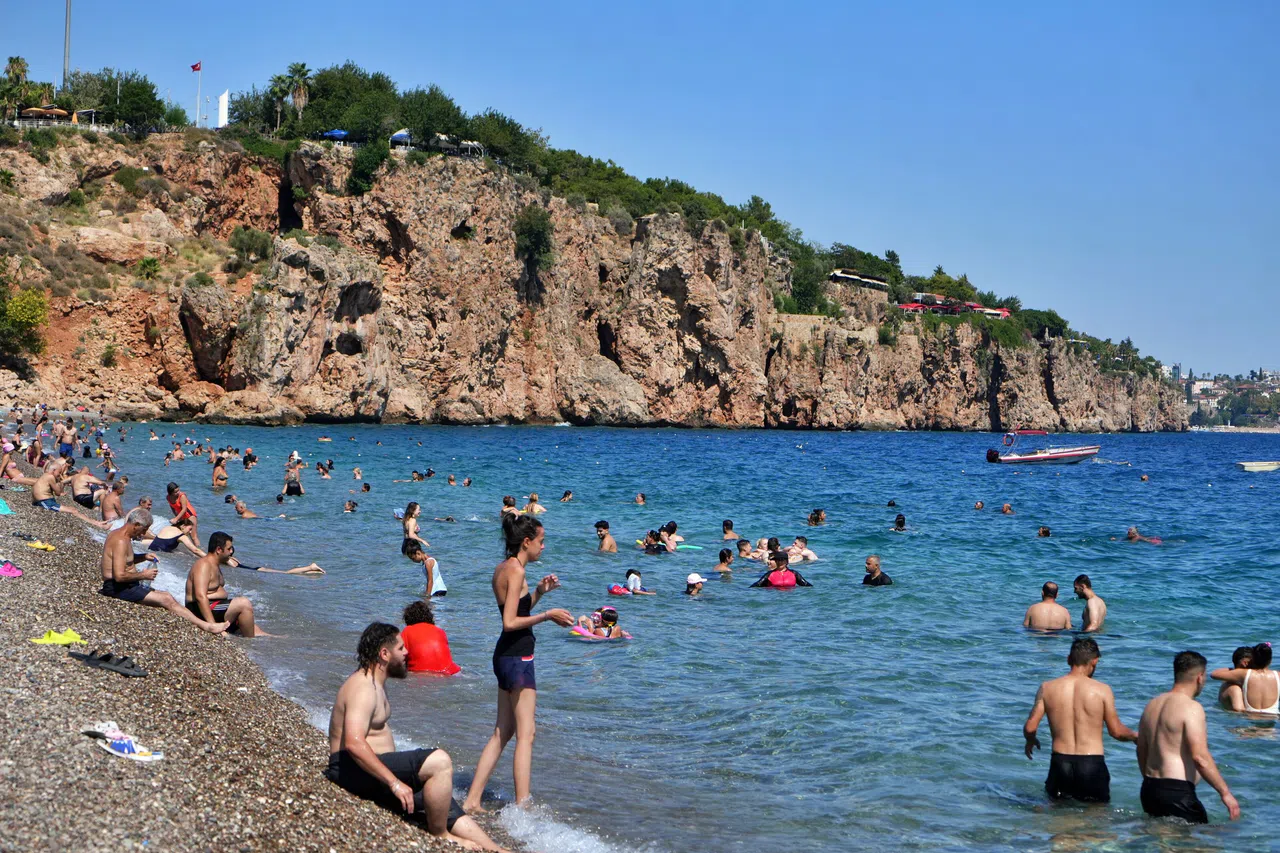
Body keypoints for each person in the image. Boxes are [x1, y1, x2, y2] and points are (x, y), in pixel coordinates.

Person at [325, 623, 506, 850]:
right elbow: (353, 743)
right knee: (439, 761)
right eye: (401, 648)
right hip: (350, 770)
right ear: (384, 654)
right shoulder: (363, 688)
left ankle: (497, 849)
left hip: (369, 769)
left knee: (439, 797)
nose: (407, 652)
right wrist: (395, 784)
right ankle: (441, 835)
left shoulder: (375, 683)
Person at [462, 515, 573, 814]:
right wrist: (548, 615)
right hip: (518, 657)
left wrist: (538, 593)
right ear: (526, 541)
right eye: (541, 541)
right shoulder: (516, 571)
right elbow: (510, 622)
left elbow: (516, 611)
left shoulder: (504, 568)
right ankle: (523, 809)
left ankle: (472, 799)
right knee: (526, 734)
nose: (543, 547)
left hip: (506, 656)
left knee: (503, 731)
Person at [1022, 638, 1137, 803]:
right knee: (1096, 816)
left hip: (1060, 763)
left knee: (1058, 815)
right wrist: (1135, 736)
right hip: (1091, 765)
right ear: (1095, 661)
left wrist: (1030, 740)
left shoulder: (1047, 688)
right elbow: (1116, 732)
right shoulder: (1103, 690)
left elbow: (1030, 727)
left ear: (1069, 659)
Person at [1136, 651, 1240, 823]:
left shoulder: (1152, 705)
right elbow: (1200, 757)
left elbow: (1141, 749)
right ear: (1200, 677)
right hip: (1178, 792)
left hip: (1149, 789)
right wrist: (1225, 793)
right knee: (1212, 838)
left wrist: (1151, 783)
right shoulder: (1191, 707)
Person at [99, 509, 227, 635]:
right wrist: (143, 575)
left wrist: (144, 556)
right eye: (144, 529)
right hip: (117, 588)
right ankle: (206, 626)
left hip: (125, 586)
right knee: (166, 599)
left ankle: (203, 622)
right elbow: (119, 576)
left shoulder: (121, 536)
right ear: (136, 525)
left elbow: (125, 560)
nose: (144, 533)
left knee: (166, 595)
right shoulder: (121, 541)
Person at [186, 532, 270, 636]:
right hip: (198, 610)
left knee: (252, 626)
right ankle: (250, 642)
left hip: (214, 607)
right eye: (229, 549)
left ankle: (274, 641)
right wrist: (213, 626)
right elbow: (200, 596)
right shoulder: (204, 565)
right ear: (218, 550)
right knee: (244, 604)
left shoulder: (215, 564)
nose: (231, 552)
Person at [1211, 642, 1279, 715]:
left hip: (1250, 718)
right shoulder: (1278, 676)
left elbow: (1214, 674)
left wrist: (1234, 670)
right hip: (1273, 717)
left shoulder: (1245, 674)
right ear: (1270, 661)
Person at [401, 601, 461, 676]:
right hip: (453, 673)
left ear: (408, 619)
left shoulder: (407, 631)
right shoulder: (440, 631)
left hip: (424, 674)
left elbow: (399, 657)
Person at [1214, 646, 1256, 712]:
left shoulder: (1229, 680)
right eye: (1255, 663)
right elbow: (1239, 711)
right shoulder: (1235, 689)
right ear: (1245, 663)